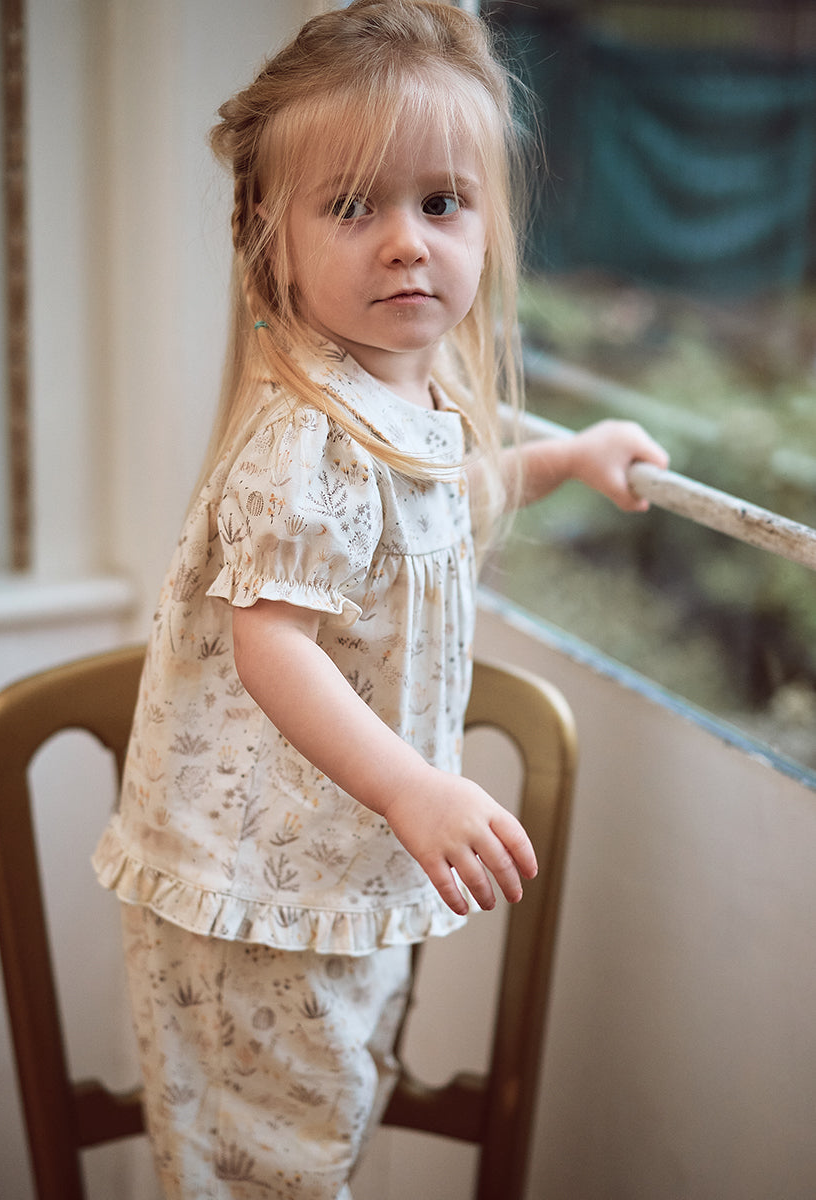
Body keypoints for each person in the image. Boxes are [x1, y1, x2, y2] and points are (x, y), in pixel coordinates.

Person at [93, 2, 669, 1196]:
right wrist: (414, 787)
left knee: (320, 1128)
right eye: (355, 207)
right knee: (272, 1162)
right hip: (257, 893)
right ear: (273, 241)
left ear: (489, 223)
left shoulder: (405, 400)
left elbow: (436, 509)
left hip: (331, 868)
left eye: (442, 203)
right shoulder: (307, 438)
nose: (408, 242)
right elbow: (273, 644)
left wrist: (567, 457)